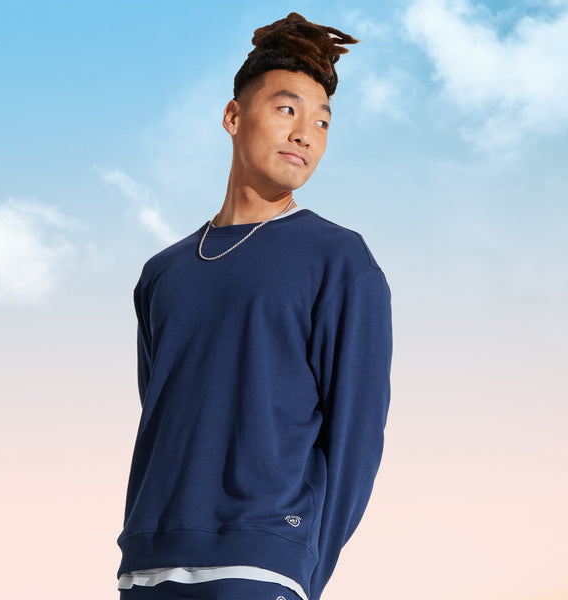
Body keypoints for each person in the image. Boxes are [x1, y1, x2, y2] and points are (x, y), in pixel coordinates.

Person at [116, 12, 392, 600]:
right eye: (287, 109)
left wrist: (300, 565)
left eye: (322, 122)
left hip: (261, 560)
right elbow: (164, 413)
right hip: (148, 561)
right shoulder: (163, 273)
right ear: (233, 117)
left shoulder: (338, 259)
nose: (305, 134)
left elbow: (357, 438)